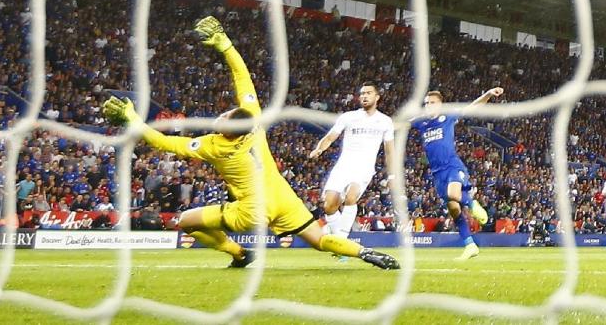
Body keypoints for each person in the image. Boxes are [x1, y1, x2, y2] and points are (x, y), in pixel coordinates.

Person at [103, 16, 398, 270]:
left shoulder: (213, 145)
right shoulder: (253, 124)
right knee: (320, 240)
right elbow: (243, 80)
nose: (224, 111)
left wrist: (132, 118)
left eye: (225, 114)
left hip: (252, 209)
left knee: (186, 221)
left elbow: (163, 141)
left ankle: (239, 253)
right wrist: (226, 45)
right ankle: (366, 253)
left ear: (227, 126)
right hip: (283, 198)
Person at [410, 88, 499, 261]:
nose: (428, 106)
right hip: (437, 174)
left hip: (452, 166)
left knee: (453, 195)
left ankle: (472, 204)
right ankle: (470, 245)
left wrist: (488, 94)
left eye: (432, 103)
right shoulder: (421, 122)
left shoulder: (448, 117)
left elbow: (473, 107)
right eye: (426, 103)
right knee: (453, 207)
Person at [308, 82, 395, 246]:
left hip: (364, 168)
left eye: (368, 93)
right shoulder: (348, 117)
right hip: (343, 166)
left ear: (377, 97)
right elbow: (330, 137)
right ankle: (337, 236)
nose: (364, 96)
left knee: (351, 197)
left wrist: (391, 175)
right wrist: (319, 150)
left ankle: (341, 242)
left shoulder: (385, 121)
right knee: (329, 206)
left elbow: (390, 151)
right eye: (362, 93)